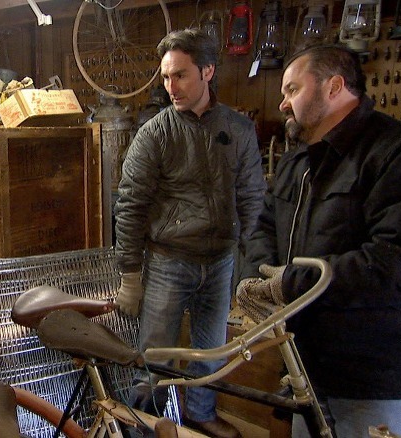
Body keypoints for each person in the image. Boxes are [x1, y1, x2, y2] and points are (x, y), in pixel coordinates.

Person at [237, 44, 401, 438]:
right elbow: (262, 228)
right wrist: (255, 278)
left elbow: (400, 263)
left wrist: (288, 284)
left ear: (333, 86)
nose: (283, 105)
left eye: (292, 90)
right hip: (311, 370)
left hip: (385, 381)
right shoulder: (299, 164)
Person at [113, 27, 266, 438]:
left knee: (212, 353)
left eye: (180, 75)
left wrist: (247, 259)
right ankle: (144, 426)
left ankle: (199, 413)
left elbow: (252, 196)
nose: (170, 86)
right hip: (168, 260)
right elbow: (130, 204)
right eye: (165, 77)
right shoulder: (155, 133)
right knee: (154, 358)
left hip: (220, 261)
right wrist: (130, 273)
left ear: (208, 71)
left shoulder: (238, 130)